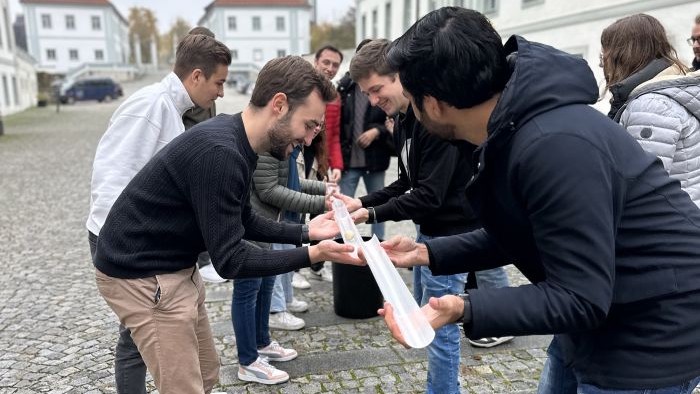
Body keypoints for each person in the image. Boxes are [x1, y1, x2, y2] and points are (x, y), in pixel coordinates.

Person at [378, 7, 700, 393]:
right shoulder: (510, 127)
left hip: (651, 334)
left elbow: (580, 297)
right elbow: (523, 231)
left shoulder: (553, 144)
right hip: (600, 314)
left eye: (411, 101)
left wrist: (464, 307)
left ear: (432, 103)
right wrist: (427, 253)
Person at [92, 55, 362, 393]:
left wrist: (304, 232)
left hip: (173, 266)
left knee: (206, 373)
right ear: (279, 105)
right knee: (184, 387)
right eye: (308, 125)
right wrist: (314, 254)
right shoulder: (221, 152)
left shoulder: (239, 141)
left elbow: (243, 217)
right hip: (142, 274)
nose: (309, 140)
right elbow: (231, 260)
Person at [336, 38, 510, 394]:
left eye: (376, 89)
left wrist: (369, 213)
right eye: (367, 93)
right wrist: (363, 203)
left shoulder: (431, 121)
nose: (372, 101)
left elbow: (428, 195)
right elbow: (405, 182)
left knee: (439, 333)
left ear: (399, 77)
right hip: (429, 235)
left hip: (449, 236)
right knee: (423, 323)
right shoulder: (403, 120)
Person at [86, 33, 231, 394]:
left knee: (135, 337)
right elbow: (113, 181)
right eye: (219, 83)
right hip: (124, 241)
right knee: (137, 334)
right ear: (196, 76)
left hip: (138, 239)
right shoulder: (151, 108)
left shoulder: (170, 109)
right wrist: (129, 248)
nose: (221, 93)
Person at [601, 14, 700, 207]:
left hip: (668, 230)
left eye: (606, 55)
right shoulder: (663, 92)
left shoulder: (651, 105)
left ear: (623, 55)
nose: (603, 64)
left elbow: (640, 189)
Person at [178, 26, 228, 285]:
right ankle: (204, 261)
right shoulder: (175, 97)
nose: (220, 91)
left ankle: (208, 260)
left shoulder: (207, 87)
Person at [336, 41, 393, 243]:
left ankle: (379, 246)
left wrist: (376, 131)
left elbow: (391, 122)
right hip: (349, 160)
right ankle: (341, 245)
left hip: (375, 160)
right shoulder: (345, 88)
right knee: (343, 208)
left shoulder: (385, 88)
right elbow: (337, 125)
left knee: (378, 208)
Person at [313, 45, 344, 183]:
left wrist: (336, 165)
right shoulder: (301, 89)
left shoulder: (335, 97)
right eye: (326, 62)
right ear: (316, 61)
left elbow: (334, 134)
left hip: (322, 163)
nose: (330, 68)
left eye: (335, 65)